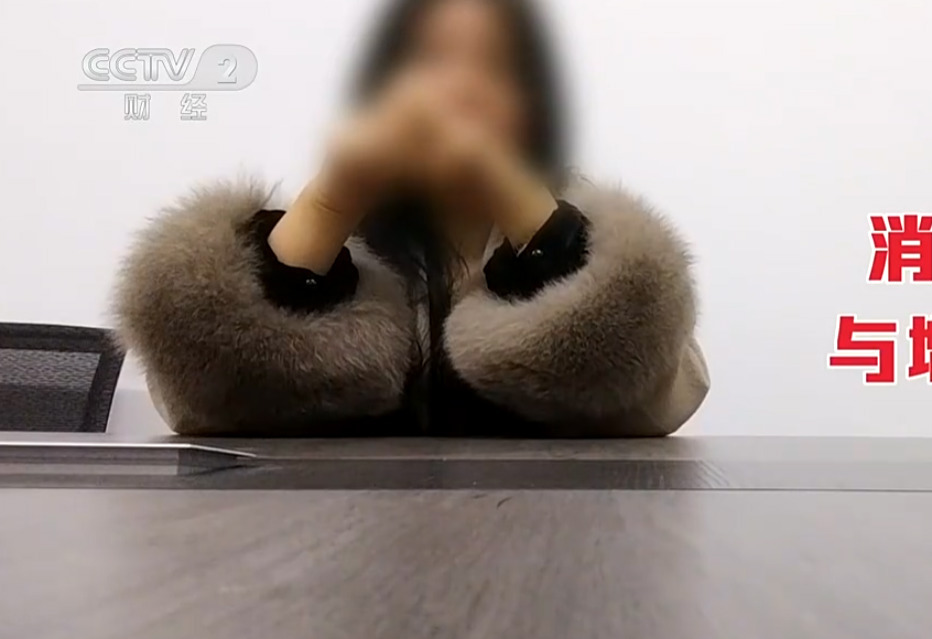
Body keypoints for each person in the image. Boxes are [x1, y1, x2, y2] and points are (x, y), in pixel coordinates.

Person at [113, 0, 708, 437]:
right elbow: (197, 403)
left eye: (495, 66)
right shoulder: (337, 239)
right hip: (341, 538)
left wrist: (508, 188)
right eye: (429, 63)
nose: (459, 89)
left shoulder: (580, 235)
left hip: (551, 531)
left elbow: (662, 396)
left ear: (532, 102)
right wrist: (333, 199)